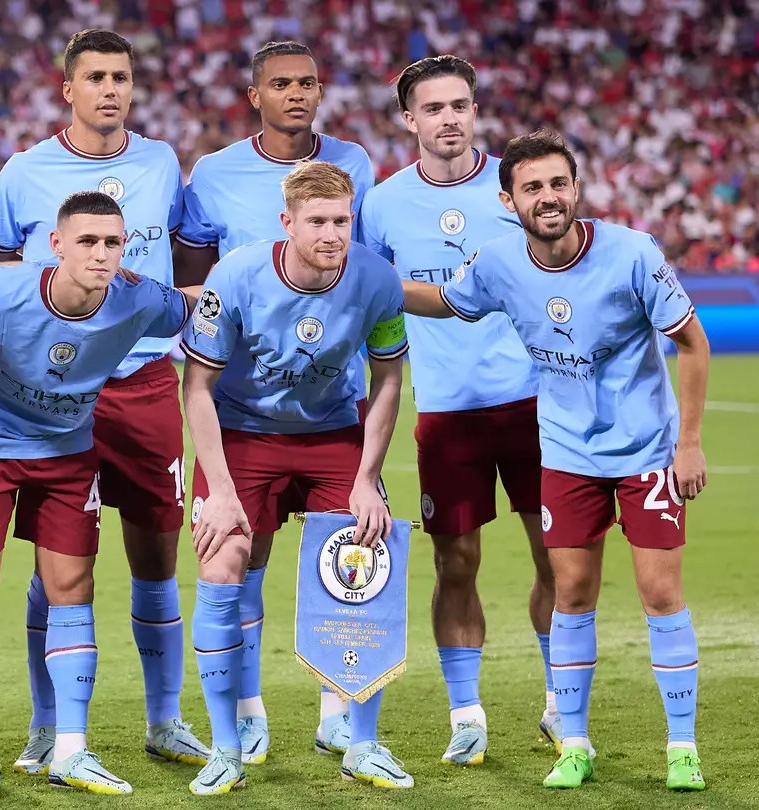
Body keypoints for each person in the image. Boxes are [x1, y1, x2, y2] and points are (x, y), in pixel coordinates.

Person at [401, 129, 709, 792]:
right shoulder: (497, 262)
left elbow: (691, 340)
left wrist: (687, 443)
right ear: (508, 199)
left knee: (660, 592)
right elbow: (449, 304)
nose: (549, 197)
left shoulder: (632, 253)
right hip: (567, 456)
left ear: (577, 189)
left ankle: (682, 748)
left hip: (646, 452)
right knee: (571, 592)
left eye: (559, 184)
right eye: (533, 187)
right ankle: (574, 744)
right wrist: (361, 281)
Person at [0, 28, 207, 772]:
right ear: (66, 89)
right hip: (54, 394)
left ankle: (164, 720)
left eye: (123, 77)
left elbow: (191, 251)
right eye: (97, 76)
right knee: (57, 566)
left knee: (156, 557)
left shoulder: (163, 162)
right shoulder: (26, 171)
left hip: (142, 383)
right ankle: (46, 725)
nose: (112, 89)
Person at [0, 191, 195, 800]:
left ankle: (71, 749)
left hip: (65, 456)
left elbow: (195, 309)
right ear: (55, 245)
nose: (102, 255)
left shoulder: (140, 298)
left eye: (113, 243)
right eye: (87, 241)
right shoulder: (0, 292)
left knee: (72, 589)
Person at [172, 40, 377, 763]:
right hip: (240, 413)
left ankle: (338, 717)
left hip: (330, 406)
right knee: (238, 561)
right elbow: (192, 279)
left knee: (347, 566)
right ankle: (248, 712)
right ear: (254, 93)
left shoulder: (357, 164)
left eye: (308, 82)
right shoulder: (217, 174)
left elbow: (368, 275)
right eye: (281, 83)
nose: (297, 93)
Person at [182, 160, 410, 793]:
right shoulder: (236, 276)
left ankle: (362, 742)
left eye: (342, 220)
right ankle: (225, 748)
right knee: (222, 564)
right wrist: (221, 491)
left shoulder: (377, 281)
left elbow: (389, 378)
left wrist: (368, 476)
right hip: (243, 436)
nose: (332, 234)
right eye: (317, 222)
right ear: (288, 222)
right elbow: (195, 386)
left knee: (369, 557)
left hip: (333, 435)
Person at [358, 54, 555, 765]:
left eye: (462, 105)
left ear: (475, 110)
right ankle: (466, 716)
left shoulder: (517, 186)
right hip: (445, 409)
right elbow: (369, 306)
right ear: (409, 119)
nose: (450, 119)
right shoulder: (380, 205)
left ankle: (561, 704)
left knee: (558, 558)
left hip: (537, 402)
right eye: (434, 108)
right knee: (456, 562)